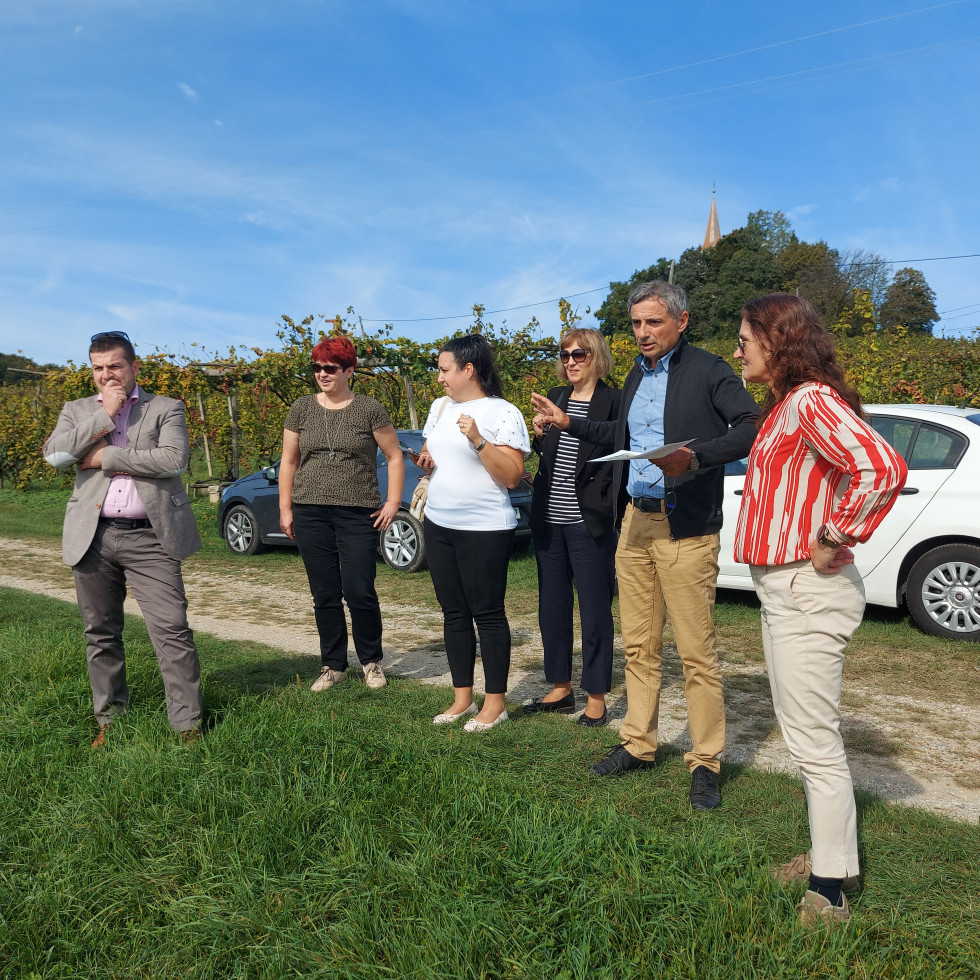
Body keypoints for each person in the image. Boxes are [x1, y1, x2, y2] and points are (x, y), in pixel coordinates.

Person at [531, 281, 759, 809]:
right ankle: (638, 743)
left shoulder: (708, 370)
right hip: (634, 524)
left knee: (697, 654)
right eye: (635, 324)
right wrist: (571, 424)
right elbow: (621, 436)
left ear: (681, 321)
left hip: (687, 527)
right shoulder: (637, 372)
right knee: (639, 646)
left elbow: (750, 426)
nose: (642, 333)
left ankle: (705, 761)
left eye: (652, 323)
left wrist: (696, 457)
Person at [733, 293, 907, 927]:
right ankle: (835, 858)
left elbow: (881, 466)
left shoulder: (809, 401)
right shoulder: (787, 406)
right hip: (786, 590)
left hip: (807, 589)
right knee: (807, 734)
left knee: (812, 741)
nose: (739, 348)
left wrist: (836, 534)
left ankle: (829, 890)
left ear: (779, 340)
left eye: (746, 335)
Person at [42, 330, 204, 747]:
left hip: (152, 536)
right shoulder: (76, 410)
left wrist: (104, 457)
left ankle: (187, 725)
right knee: (100, 630)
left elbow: (172, 460)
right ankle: (110, 720)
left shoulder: (166, 407)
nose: (106, 375)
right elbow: (57, 458)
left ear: (134, 366)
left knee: (171, 627)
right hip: (92, 536)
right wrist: (104, 416)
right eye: (98, 368)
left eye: (114, 365)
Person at [416, 334, 531, 732]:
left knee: (488, 613)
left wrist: (479, 440)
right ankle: (462, 697)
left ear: (469, 369)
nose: (439, 378)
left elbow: (513, 476)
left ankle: (495, 703)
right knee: (454, 612)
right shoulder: (440, 407)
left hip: (484, 527)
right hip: (439, 522)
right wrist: (428, 460)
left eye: (445, 369)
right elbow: (439, 457)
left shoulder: (503, 412)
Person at [278, 336, 404, 692]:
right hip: (309, 511)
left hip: (357, 512)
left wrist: (393, 502)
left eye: (330, 367)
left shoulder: (369, 409)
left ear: (349, 370)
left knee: (360, 588)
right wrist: (285, 508)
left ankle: (371, 661)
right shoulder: (301, 408)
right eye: (317, 367)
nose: (322, 374)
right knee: (325, 593)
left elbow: (394, 456)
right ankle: (333, 665)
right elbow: (289, 461)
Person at [527, 328, 621, 725]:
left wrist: (566, 424)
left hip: (589, 521)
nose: (570, 362)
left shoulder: (614, 400)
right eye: (564, 355)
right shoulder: (557, 396)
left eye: (578, 354)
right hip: (549, 520)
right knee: (552, 606)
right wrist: (539, 435)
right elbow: (551, 457)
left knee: (595, 608)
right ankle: (561, 686)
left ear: (595, 356)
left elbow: (618, 443)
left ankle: (596, 693)